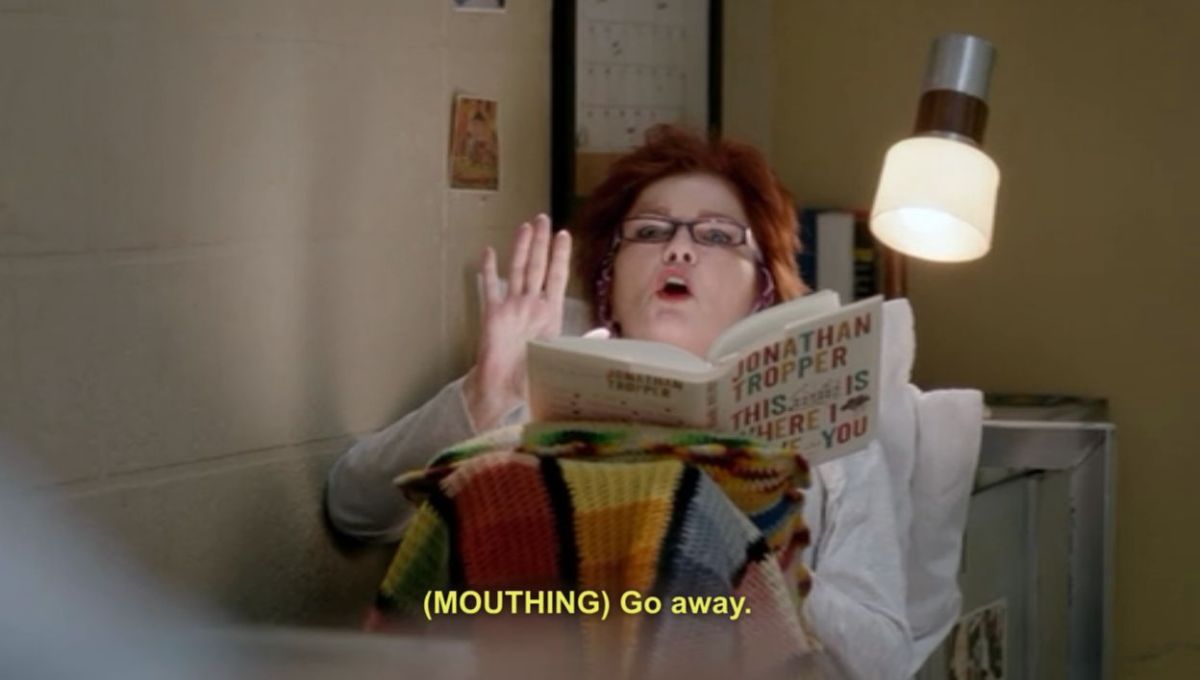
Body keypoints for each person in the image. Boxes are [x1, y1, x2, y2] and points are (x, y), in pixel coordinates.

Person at [327, 125, 914, 678]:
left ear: (763, 287)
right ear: (608, 278)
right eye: (651, 232)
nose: (679, 249)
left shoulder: (828, 441)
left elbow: (884, 661)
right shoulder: (542, 399)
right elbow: (353, 506)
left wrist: (773, 557)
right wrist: (486, 394)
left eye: (717, 236)